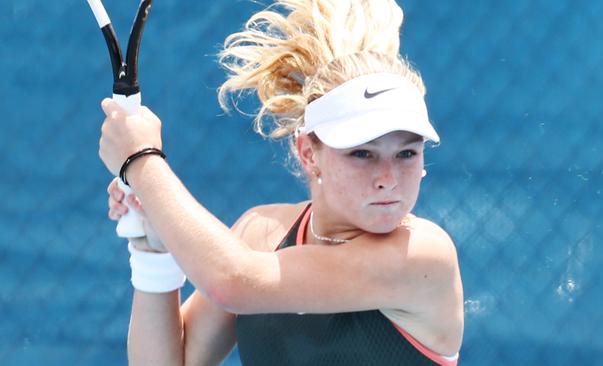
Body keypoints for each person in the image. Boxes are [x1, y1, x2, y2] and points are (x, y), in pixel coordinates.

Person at [100, 0, 463, 365]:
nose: (388, 179)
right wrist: (154, 252)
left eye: (406, 154)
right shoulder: (258, 236)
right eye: (362, 154)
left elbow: (233, 282)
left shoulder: (423, 256)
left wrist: (141, 160)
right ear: (308, 152)